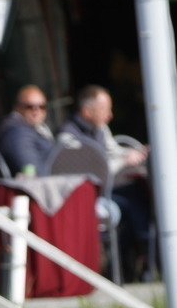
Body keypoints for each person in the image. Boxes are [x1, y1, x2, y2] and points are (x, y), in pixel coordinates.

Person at [58, 85, 151, 279]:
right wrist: (124, 161)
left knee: (135, 193)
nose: (110, 116)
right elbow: (92, 173)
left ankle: (142, 256)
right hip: (81, 201)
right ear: (86, 111)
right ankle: (142, 255)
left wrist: (137, 153)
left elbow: (113, 150)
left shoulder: (99, 129)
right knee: (130, 202)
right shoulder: (68, 137)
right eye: (105, 110)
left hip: (103, 194)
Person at [0, 85, 57, 176]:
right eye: (30, 107)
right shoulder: (18, 134)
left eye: (42, 106)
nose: (36, 111)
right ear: (17, 108)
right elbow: (34, 172)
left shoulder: (37, 129)